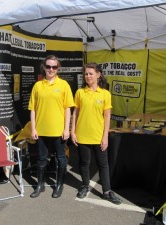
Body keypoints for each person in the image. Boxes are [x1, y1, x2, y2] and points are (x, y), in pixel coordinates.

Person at [70, 62, 122, 205]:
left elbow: (107, 117)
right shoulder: (80, 93)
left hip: (99, 136)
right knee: (84, 163)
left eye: (91, 73)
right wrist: (73, 132)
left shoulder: (105, 94)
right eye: (86, 74)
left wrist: (105, 136)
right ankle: (85, 186)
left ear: (98, 75)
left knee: (103, 165)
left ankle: (106, 191)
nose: (88, 76)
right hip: (82, 135)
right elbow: (75, 113)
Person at [28, 55, 75, 198]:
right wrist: (33, 128)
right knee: (41, 158)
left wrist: (67, 128)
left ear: (57, 68)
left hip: (59, 130)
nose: (51, 69)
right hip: (41, 130)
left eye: (54, 67)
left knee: (61, 158)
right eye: (48, 66)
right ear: (44, 67)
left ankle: (59, 185)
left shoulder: (64, 85)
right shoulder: (38, 85)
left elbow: (68, 108)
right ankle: (40, 185)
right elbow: (33, 109)